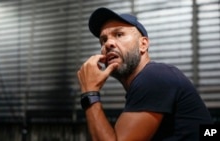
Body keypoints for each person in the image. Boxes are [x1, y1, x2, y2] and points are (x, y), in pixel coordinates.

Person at [77, 7, 213, 141]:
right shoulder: (143, 84)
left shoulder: (154, 76)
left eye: (119, 34)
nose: (108, 44)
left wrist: (90, 93)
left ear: (143, 44)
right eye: (103, 40)